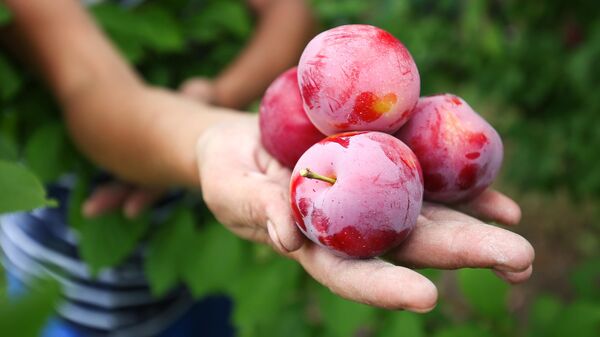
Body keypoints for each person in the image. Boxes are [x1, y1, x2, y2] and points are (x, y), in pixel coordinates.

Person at [3, 0, 533, 325]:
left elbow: (291, 10)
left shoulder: (352, 120)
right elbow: (89, 86)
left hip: (192, 262)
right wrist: (204, 135)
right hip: (67, 275)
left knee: (211, 314)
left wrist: (217, 93)